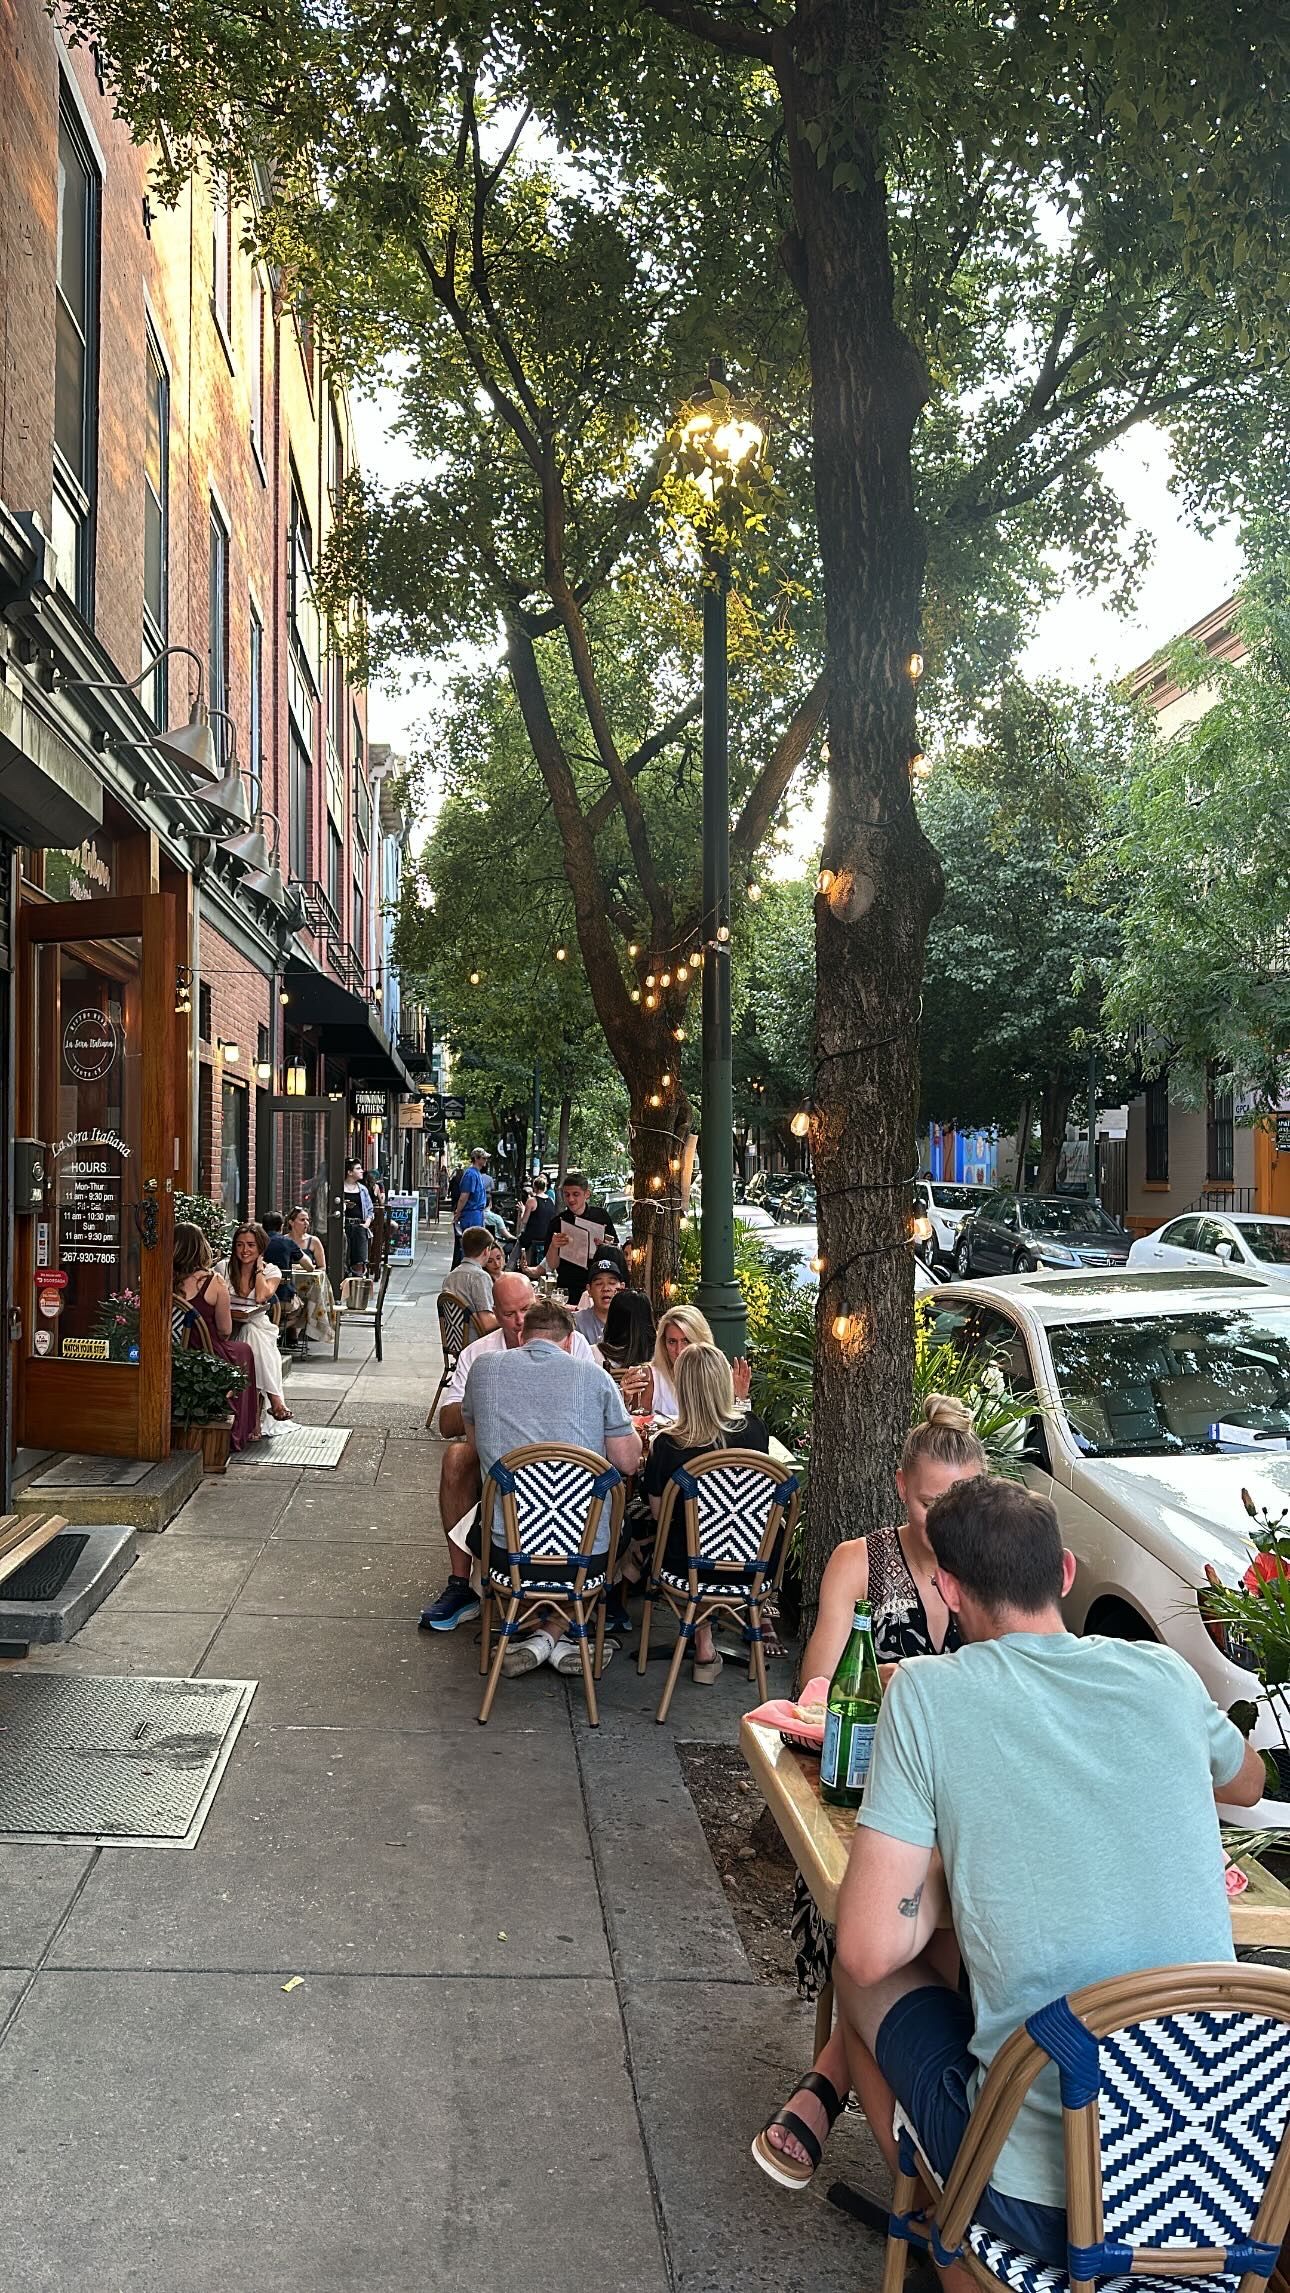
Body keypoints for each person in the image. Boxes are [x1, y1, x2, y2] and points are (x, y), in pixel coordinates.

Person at [830, 1476, 1265, 2276]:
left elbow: (867, 1946)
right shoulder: (1163, 1675)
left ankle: (943, 2234)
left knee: (858, 1980)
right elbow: (1249, 1782)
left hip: (1044, 2201)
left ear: (949, 1589)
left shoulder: (926, 1690)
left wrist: (950, 1869)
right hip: (1219, 2185)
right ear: (1064, 1572)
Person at [753, 1395, 988, 2192]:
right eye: (929, 1501)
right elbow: (817, 1693)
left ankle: (834, 2090)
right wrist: (898, 1682)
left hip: (962, 1810)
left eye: (961, 1499)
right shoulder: (862, 1561)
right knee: (925, 1922)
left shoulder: (989, 1571)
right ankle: (927, 2160)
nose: (945, 1519)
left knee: (944, 1913)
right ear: (899, 1488)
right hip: (866, 1803)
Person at [459, 1295, 642, 1676]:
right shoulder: (595, 1377)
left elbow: (476, 1445)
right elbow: (627, 1462)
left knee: (481, 1522)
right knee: (620, 1528)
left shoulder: (483, 1369)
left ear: (522, 1335)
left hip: (507, 1552)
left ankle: (542, 1637)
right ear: (569, 1341)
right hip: (583, 1557)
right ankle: (560, 1634)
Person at [420, 1273, 600, 1632]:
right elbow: (447, 1422)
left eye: (526, 1310)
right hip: (500, 1466)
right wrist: (487, 1400)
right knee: (456, 1456)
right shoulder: (480, 1355)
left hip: (562, 1462)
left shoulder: (572, 1343)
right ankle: (460, 1584)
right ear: (493, 1314)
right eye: (509, 1313)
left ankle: (584, 1591)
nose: (520, 1321)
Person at [641, 1342, 767, 1685]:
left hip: (686, 1569)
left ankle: (703, 1640)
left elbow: (658, 1514)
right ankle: (706, 1641)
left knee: (677, 1541)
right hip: (751, 1567)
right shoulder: (754, 1430)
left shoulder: (668, 1445)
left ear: (682, 1387)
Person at [172, 1220, 261, 1450]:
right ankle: (241, 1429)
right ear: (201, 1246)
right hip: (205, 1354)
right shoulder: (213, 1281)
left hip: (169, 1352)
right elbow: (225, 1330)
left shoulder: (160, 1278)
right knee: (244, 1350)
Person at [223, 1222, 292, 1424]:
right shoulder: (223, 1268)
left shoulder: (272, 1271)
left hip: (258, 1327)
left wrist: (259, 1270)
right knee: (252, 1336)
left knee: (251, 1332)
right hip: (228, 1328)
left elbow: (261, 1296)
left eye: (251, 1245)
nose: (245, 1250)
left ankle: (254, 1418)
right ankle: (274, 1401)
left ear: (261, 1248)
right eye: (240, 1244)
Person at [544, 1170, 620, 1305]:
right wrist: (554, 1246)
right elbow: (552, 1265)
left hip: (598, 1284)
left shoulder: (601, 1216)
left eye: (576, 1194)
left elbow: (616, 1251)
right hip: (568, 1285)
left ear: (587, 1194)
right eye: (566, 1195)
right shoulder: (557, 1222)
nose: (571, 1199)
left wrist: (605, 1247)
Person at [647, 1303, 715, 1419]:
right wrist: (625, 1399)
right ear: (663, 1343)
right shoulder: (651, 1378)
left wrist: (738, 1396)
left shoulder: (716, 1374)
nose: (679, 1351)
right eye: (672, 1342)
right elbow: (637, 1423)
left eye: (686, 1341)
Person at [440, 1227, 503, 1337]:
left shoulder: (450, 1277)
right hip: (475, 1339)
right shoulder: (480, 1277)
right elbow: (487, 1323)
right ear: (486, 1251)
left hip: (453, 1339)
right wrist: (510, 1317)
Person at [573, 1248, 630, 1345]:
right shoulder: (576, 1323)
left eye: (612, 1283)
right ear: (589, 1290)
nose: (606, 1288)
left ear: (622, 1287)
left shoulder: (631, 1322)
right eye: (599, 1283)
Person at [452, 1148, 491, 1269]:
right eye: (483, 1158)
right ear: (476, 1158)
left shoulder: (476, 1173)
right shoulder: (471, 1174)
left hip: (476, 1213)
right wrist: (458, 1212)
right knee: (471, 1244)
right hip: (471, 1214)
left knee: (476, 1244)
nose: (485, 1160)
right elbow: (464, 1196)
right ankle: (467, 1269)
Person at [516, 1179, 558, 1266]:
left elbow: (524, 1221)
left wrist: (522, 1210)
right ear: (545, 1187)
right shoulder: (551, 1201)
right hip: (546, 1236)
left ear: (534, 1187)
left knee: (519, 1241)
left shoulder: (532, 1201)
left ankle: (510, 1266)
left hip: (532, 1236)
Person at [344, 1161, 374, 1272]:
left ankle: (358, 1278)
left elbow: (370, 1209)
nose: (362, 1171)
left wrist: (367, 1223)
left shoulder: (362, 1189)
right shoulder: (339, 1187)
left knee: (360, 1259)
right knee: (343, 1256)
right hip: (344, 1225)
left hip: (359, 1226)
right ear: (350, 1172)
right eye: (358, 1168)